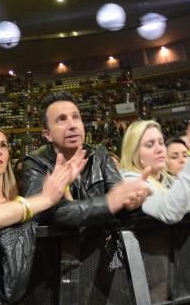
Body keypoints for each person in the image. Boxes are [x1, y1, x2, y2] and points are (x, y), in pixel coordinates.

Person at [18, 92, 151, 227]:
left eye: (76, 117)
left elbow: (119, 200)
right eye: (61, 119)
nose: (72, 125)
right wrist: (109, 203)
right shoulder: (36, 162)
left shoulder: (99, 154)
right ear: (47, 135)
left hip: (104, 244)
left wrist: (132, 203)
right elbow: (40, 213)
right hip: (62, 247)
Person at [0, 126, 85, 231]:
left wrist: (64, 187)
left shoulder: (22, 198)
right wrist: (46, 198)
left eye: (3, 145)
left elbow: (74, 227)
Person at [118, 117, 190, 224]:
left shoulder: (170, 181)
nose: (159, 149)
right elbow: (170, 212)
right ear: (133, 153)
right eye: (150, 145)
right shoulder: (129, 182)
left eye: (161, 142)